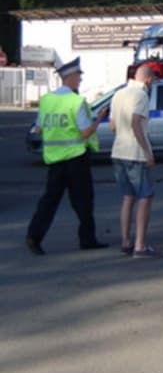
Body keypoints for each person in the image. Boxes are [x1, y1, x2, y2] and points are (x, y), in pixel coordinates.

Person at [26, 57, 109, 255]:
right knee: (83, 200)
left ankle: (34, 236)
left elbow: (38, 128)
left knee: (49, 200)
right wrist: (99, 119)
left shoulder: (47, 100)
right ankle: (87, 239)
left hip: (55, 160)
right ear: (70, 77)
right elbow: (85, 133)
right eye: (78, 77)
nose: (80, 80)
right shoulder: (76, 101)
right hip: (76, 158)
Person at [109, 65, 158, 258]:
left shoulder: (118, 94)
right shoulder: (141, 95)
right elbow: (136, 121)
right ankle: (140, 245)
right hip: (135, 152)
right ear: (148, 80)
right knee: (145, 197)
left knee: (127, 197)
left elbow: (113, 125)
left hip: (118, 150)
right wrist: (147, 152)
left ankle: (125, 242)